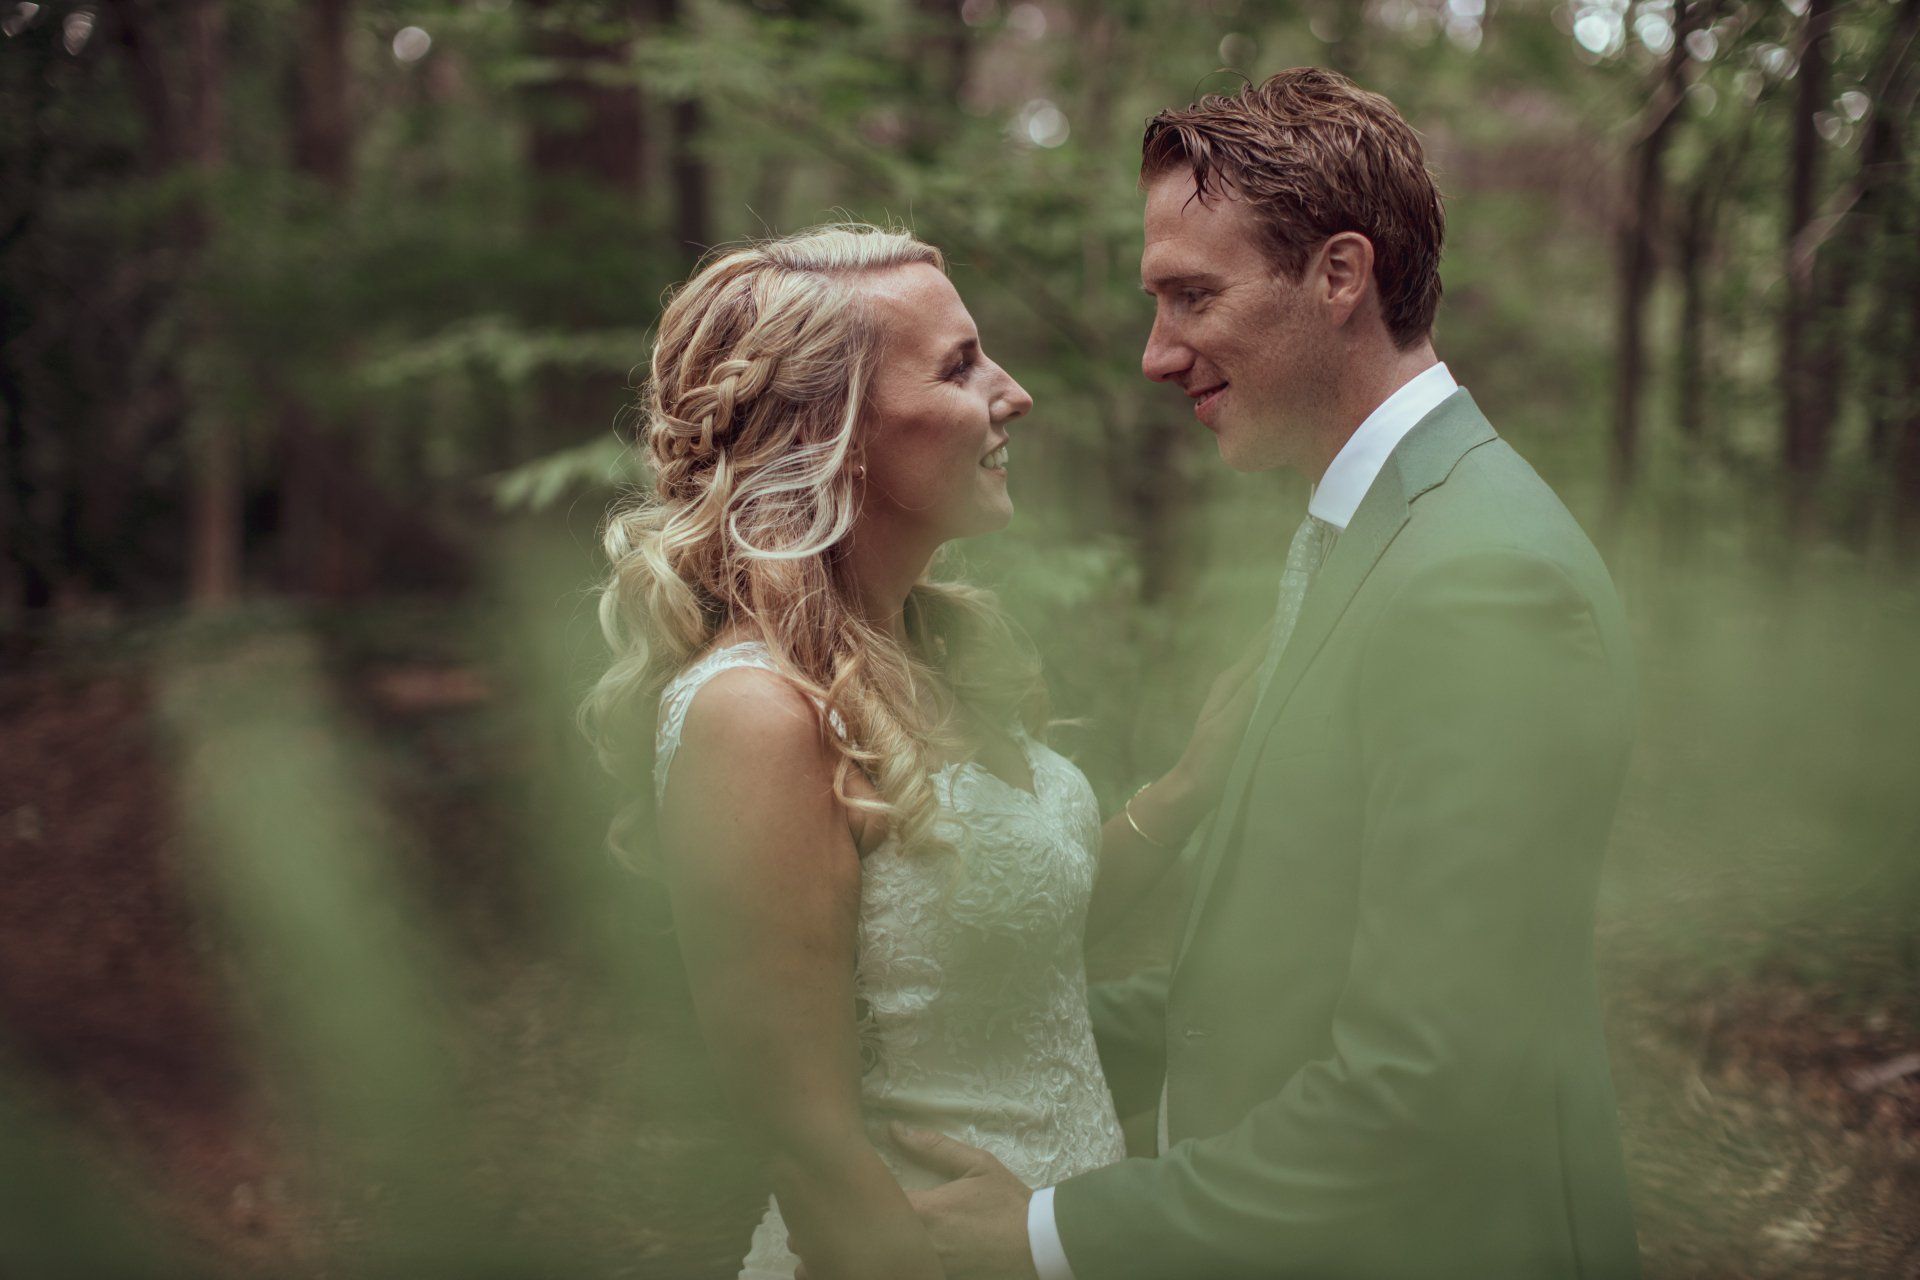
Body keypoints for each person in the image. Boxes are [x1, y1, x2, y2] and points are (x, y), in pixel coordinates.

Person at [900, 68, 1644, 1280]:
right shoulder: (1377, 534)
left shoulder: (1482, 582)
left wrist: (1044, 1234)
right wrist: (946, 1065)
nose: (1157, 354)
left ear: (1341, 275)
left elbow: (1424, 1086)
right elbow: (1275, 982)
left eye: (1193, 295)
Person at [581, 224, 1261, 1280]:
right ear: (837, 433)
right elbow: (810, 1147)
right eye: (959, 367)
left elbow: (1014, 941)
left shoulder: (926, 646)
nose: (1013, 392)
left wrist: (1189, 786)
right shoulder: (756, 715)